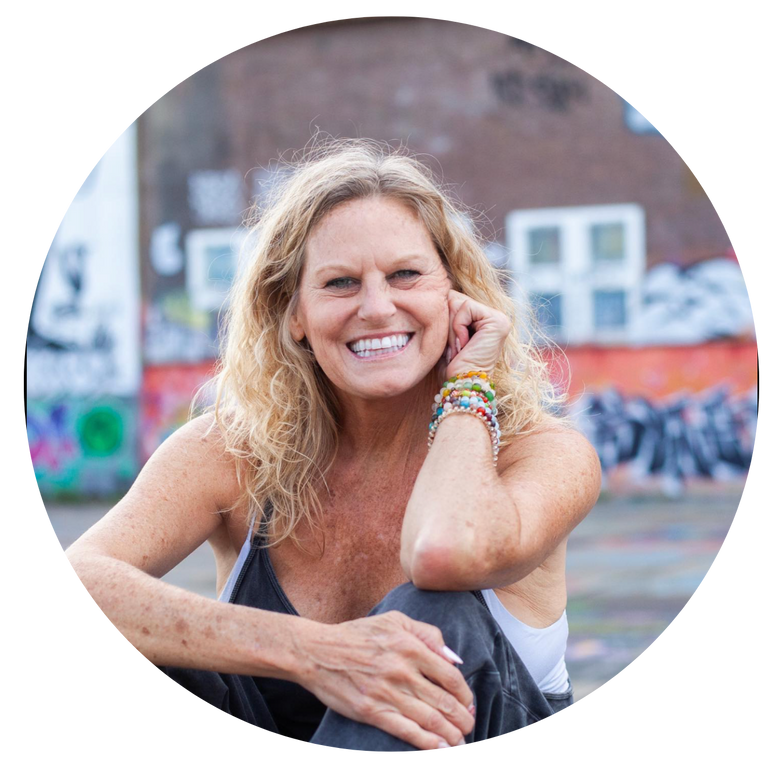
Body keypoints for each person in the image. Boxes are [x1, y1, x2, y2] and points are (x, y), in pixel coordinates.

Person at [64, 138, 601, 753]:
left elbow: (446, 551)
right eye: (340, 282)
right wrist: (317, 653)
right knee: (151, 636)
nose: (376, 308)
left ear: (455, 294)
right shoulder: (234, 451)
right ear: (294, 314)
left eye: (406, 275)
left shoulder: (544, 453)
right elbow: (85, 574)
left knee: (435, 617)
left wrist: (468, 383)